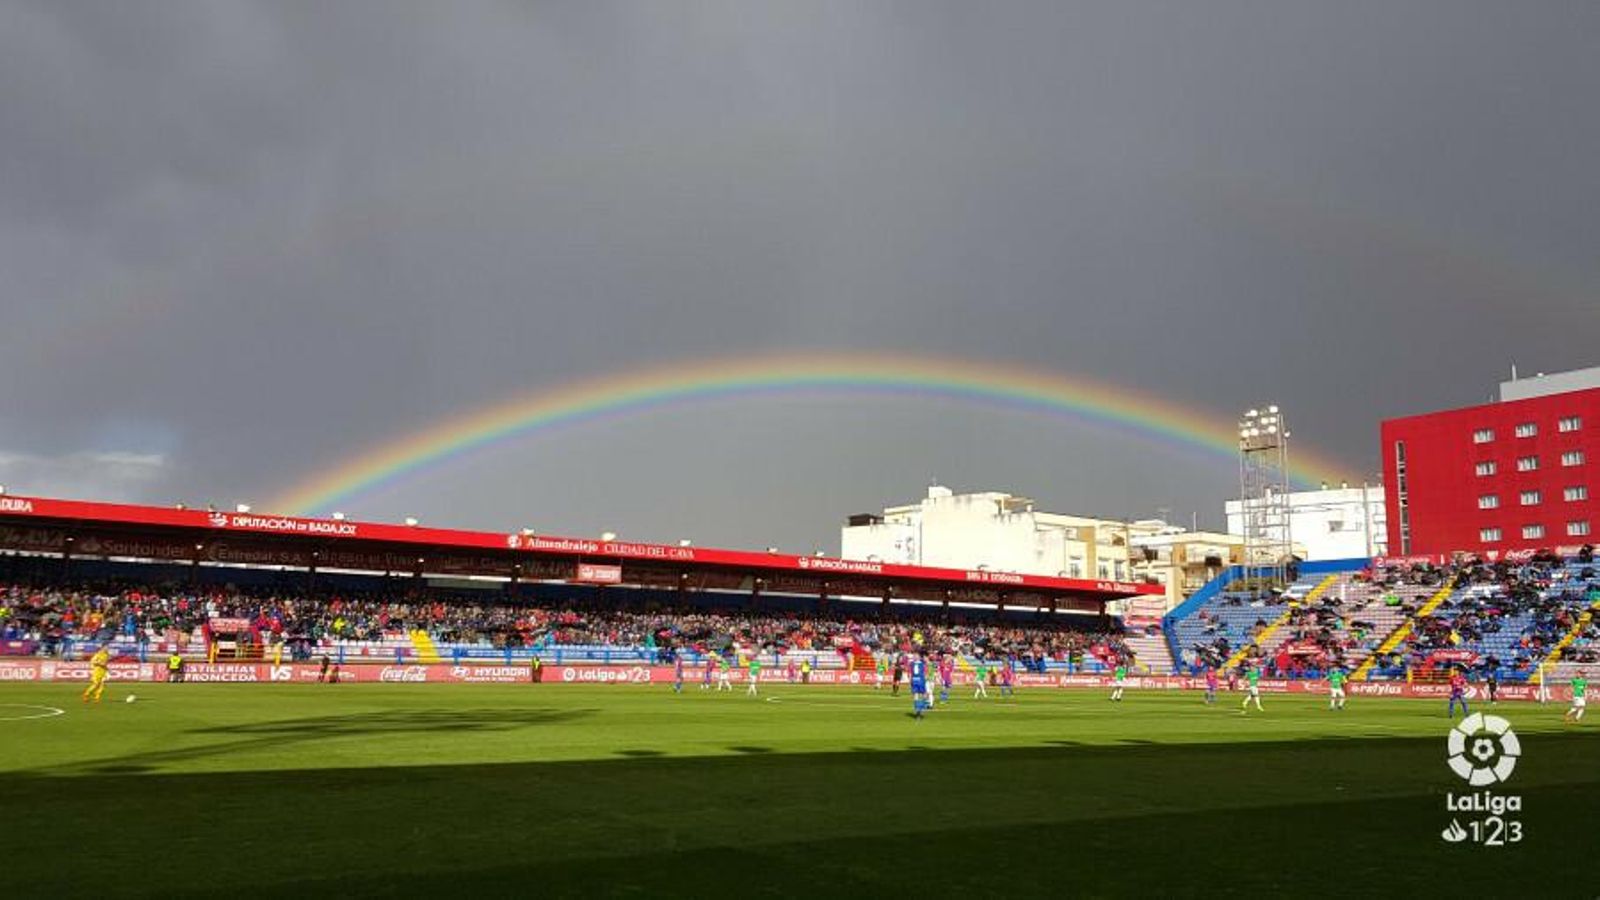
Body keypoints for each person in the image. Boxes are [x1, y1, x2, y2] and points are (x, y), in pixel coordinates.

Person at [910, 653, 930, 719]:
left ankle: (918, 710)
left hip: (915, 680)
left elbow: (910, 674)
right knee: (922, 695)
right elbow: (926, 673)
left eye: (914, 656)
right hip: (920, 680)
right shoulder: (922, 664)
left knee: (917, 695)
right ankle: (920, 710)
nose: (913, 657)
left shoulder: (912, 664)